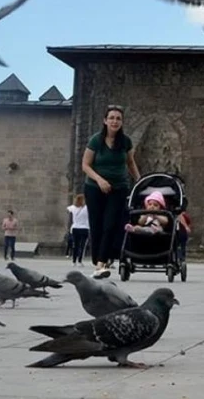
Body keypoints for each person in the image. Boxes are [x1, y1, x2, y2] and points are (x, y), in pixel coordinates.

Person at [82, 105, 141, 279]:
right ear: (105, 120)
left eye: (118, 118)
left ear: (122, 122)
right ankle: (98, 260)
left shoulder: (126, 142)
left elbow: (130, 162)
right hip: (94, 188)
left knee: (110, 224)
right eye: (112, 118)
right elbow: (85, 165)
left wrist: (140, 181)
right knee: (97, 224)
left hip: (118, 188)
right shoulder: (95, 141)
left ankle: (101, 263)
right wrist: (99, 180)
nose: (115, 121)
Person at [67, 194, 90, 266]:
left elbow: (67, 209)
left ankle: (74, 261)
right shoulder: (87, 208)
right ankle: (80, 260)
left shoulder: (73, 207)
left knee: (75, 245)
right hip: (84, 228)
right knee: (82, 245)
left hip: (75, 228)